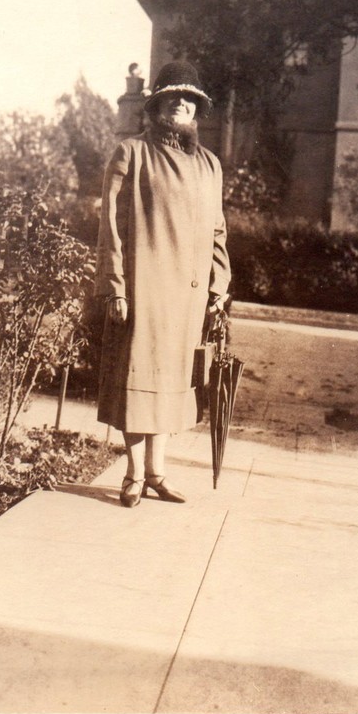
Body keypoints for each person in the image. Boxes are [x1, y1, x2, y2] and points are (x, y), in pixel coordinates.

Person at [95, 60, 231, 508]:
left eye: (189, 99)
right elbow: (112, 223)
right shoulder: (131, 153)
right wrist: (115, 285)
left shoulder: (209, 165)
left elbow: (217, 231)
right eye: (172, 97)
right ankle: (133, 474)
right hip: (144, 290)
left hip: (189, 297)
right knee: (139, 377)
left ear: (197, 110)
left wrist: (218, 287)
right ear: (155, 106)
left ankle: (158, 473)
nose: (181, 105)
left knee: (172, 382)